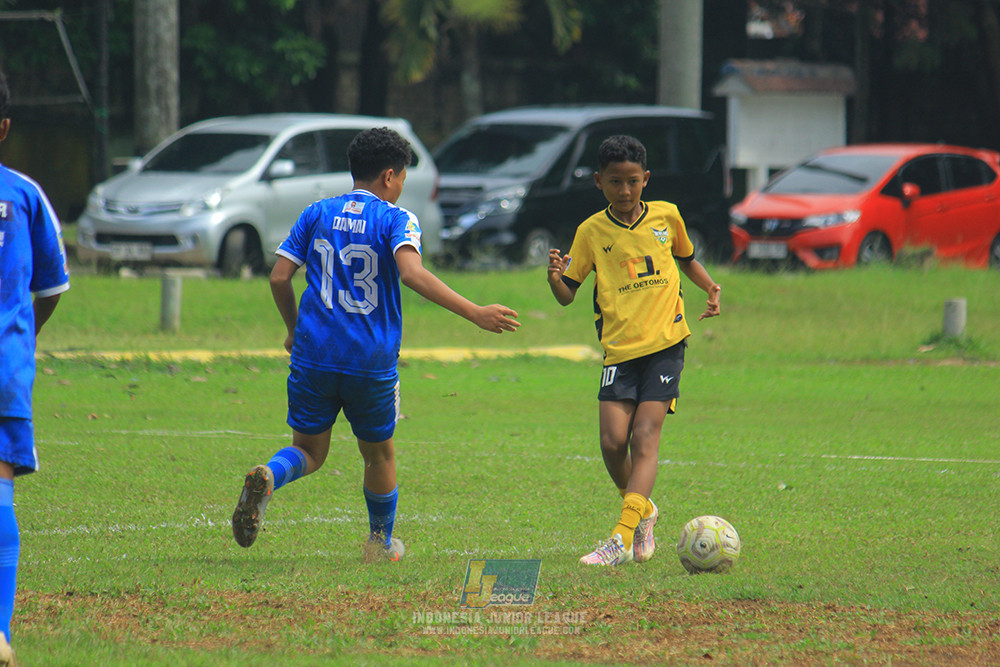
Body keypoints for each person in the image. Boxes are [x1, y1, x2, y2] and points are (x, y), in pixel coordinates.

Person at [232, 127, 520, 559]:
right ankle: (379, 544)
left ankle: (270, 477)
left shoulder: (317, 212)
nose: (402, 187)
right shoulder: (395, 218)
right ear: (389, 176)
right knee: (378, 455)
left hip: (314, 357)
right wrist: (475, 312)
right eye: (402, 178)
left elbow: (278, 277)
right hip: (370, 359)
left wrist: (294, 330)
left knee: (307, 449)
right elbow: (411, 273)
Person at [547, 134, 721, 567]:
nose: (624, 192)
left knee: (644, 437)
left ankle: (620, 539)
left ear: (646, 179)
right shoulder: (591, 232)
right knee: (611, 444)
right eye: (614, 183)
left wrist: (710, 288)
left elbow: (687, 259)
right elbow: (567, 294)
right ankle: (643, 511)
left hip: (666, 344)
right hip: (619, 350)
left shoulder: (668, 217)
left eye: (632, 182)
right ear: (598, 182)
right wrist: (554, 277)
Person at [0, 68, 71, 661]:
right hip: (4, 365)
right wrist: (26, 337)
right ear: (3, 127)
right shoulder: (23, 195)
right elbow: (51, 285)